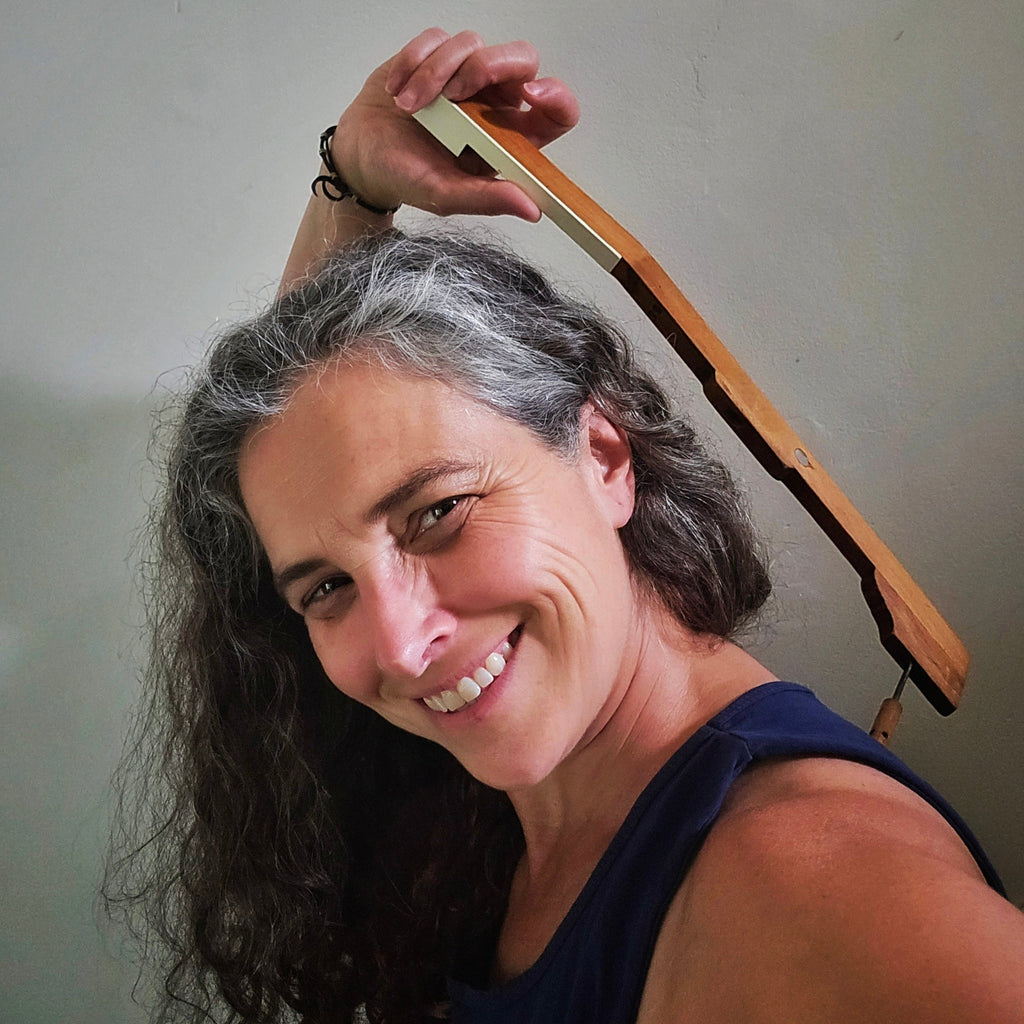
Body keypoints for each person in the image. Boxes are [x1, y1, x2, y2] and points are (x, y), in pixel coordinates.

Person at [107, 28, 1024, 1024]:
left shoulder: (804, 885)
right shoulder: (529, 799)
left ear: (605, 456)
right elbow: (308, 457)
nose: (402, 645)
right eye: (324, 587)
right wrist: (351, 190)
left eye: (438, 515)